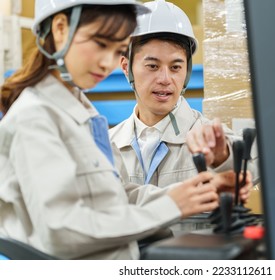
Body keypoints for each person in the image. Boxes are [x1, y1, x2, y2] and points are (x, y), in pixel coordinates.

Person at [0, 0, 251, 260]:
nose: (107, 63)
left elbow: (115, 197)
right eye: (101, 44)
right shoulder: (35, 117)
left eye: (117, 49)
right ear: (61, 28)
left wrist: (195, 193)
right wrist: (172, 206)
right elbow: (62, 231)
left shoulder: (83, 114)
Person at [109, 0, 259, 187]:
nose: (165, 79)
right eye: (153, 66)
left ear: (187, 72)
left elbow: (253, 169)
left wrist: (222, 158)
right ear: (126, 67)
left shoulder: (209, 139)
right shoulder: (109, 144)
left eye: (175, 67)